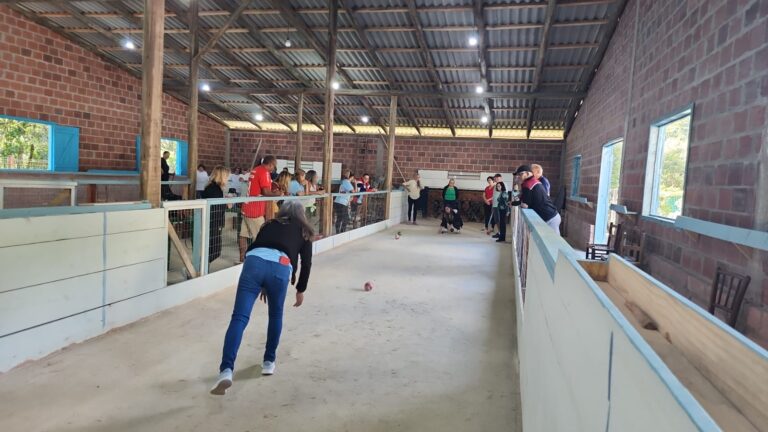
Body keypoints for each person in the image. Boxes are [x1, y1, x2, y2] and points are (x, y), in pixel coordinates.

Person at [211, 201, 314, 395]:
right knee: (275, 316)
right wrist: (300, 289)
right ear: (302, 214)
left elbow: (262, 247)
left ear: (282, 211)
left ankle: (225, 370)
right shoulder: (304, 230)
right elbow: (306, 263)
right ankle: (268, 362)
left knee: (239, 318)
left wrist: (263, 282)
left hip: (253, 263)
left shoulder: (269, 224)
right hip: (281, 267)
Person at [240, 156, 282, 263]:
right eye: (274, 166)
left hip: (247, 206)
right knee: (261, 236)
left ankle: (242, 258)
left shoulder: (255, 169)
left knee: (243, 235)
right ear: (271, 164)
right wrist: (278, 194)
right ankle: (257, 260)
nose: (273, 169)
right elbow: (266, 192)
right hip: (255, 209)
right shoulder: (264, 172)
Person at [512, 164, 560, 234]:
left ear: (528, 173)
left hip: (550, 217)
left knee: (554, 242)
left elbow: (525, 205)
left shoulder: (528, 185)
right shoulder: (531, 182)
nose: (518, 177)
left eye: (520, 174)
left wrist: (516, 203)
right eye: (517, 175)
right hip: (549, 216)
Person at [202, 166, 230, 263]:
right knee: (214, 250)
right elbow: (215, 207)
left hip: (213, 221)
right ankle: (199, 269)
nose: (228, 179)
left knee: (213, 250)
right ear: (222, 176)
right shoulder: (214, 189)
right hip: (212, 221)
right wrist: (227, 205)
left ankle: (202, 269)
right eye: (227, 176)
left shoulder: (214, 187)